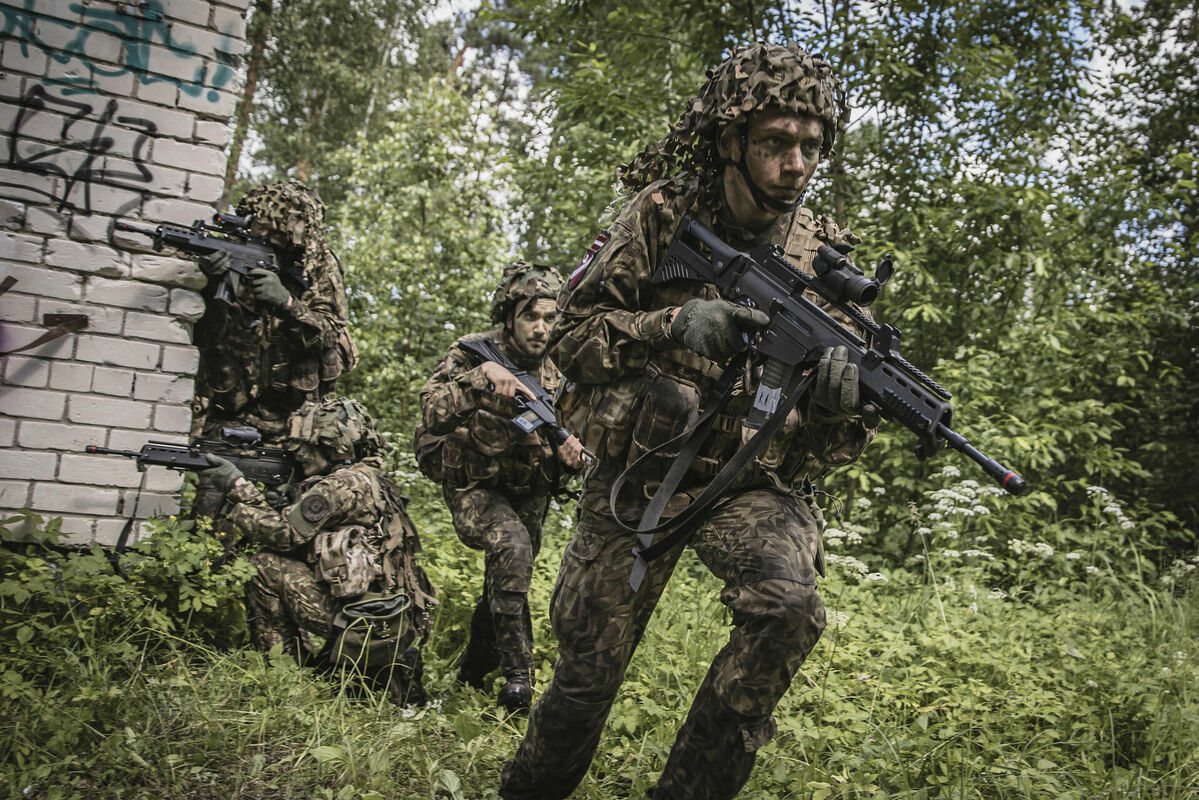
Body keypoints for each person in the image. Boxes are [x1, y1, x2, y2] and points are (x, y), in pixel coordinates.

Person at [500, 42, 877, 799]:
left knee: (789, 605)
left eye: (810, 146)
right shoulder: (663, 215)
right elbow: (569, 340)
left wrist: (840, 408)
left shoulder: (826, 261)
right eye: (776, 142)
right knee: (585, 678)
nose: (796, 164)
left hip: (747, 483)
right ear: (730, 139)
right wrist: (669, 326)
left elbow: (835, 444)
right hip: (638, 474)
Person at [416, 261, 586, 713]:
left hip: (526, 487)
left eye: (550, 318)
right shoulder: (472, 353)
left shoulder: (561, 370)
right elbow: (431, 412)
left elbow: (571, 440)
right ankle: (519, 676)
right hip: (473, 483)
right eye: (531, 316)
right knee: (512, 548)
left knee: (507, 579)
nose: (541, 328)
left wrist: (572, 459)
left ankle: (471, 674)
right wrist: (480, 379)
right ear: (510, 315)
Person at [202, 396, 436, 706]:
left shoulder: (338, 486)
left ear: (332, 446)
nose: (299, 452)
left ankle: (285, 674)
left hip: (362, 621)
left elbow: (283, 534)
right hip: (389, 618)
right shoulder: (372, 477)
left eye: (307, 444)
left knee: (262, 565)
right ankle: (376, 669)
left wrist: (238, 487)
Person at [192, 180, 357, 517]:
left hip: (293, 417)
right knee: (211, 515)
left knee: (286, 518)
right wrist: (213, 288)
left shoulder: (317, 266)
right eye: (256, 223)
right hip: (233, 407)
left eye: (271, 228)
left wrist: (287, 303)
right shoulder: (232, 248)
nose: (260, 231)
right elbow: (206, 338)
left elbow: (331, 334)